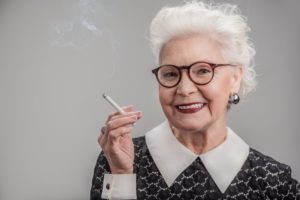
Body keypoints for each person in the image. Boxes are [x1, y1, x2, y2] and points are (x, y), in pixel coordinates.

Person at [90, 1, 300, 199]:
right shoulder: (118, 161)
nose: (184, 89)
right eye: (171, 74)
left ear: (235, 79)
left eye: (202, 71)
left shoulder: (273, 182)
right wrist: (121, 174)